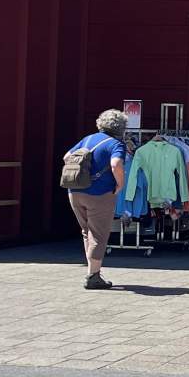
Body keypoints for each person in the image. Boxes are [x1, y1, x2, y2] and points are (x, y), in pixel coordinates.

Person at [63, 109, 129, 290]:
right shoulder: (116, 144)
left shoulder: (88, 139)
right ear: (121, 128)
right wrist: (120, 184)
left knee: (87, 232)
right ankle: (93, 276)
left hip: (75, 191)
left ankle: (92, 270)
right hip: (99, 194)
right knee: (99, 235)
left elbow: (67, 157)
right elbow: (116, 164)